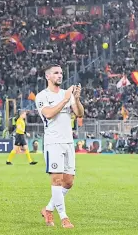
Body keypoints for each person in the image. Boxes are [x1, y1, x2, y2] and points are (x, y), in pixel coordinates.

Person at [36, 64, 84, 229]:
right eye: (56, 73)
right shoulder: (42, 96)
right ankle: (64, 217)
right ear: (47, 76)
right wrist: (65, 99)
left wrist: (75, 99)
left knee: (68, 182)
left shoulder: (67, 94)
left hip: (68, 142)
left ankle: (48, 209)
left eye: (61, 73)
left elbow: (79, 113)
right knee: (56, 180)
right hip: (53, 143)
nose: (60, 75)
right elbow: (48, 113)